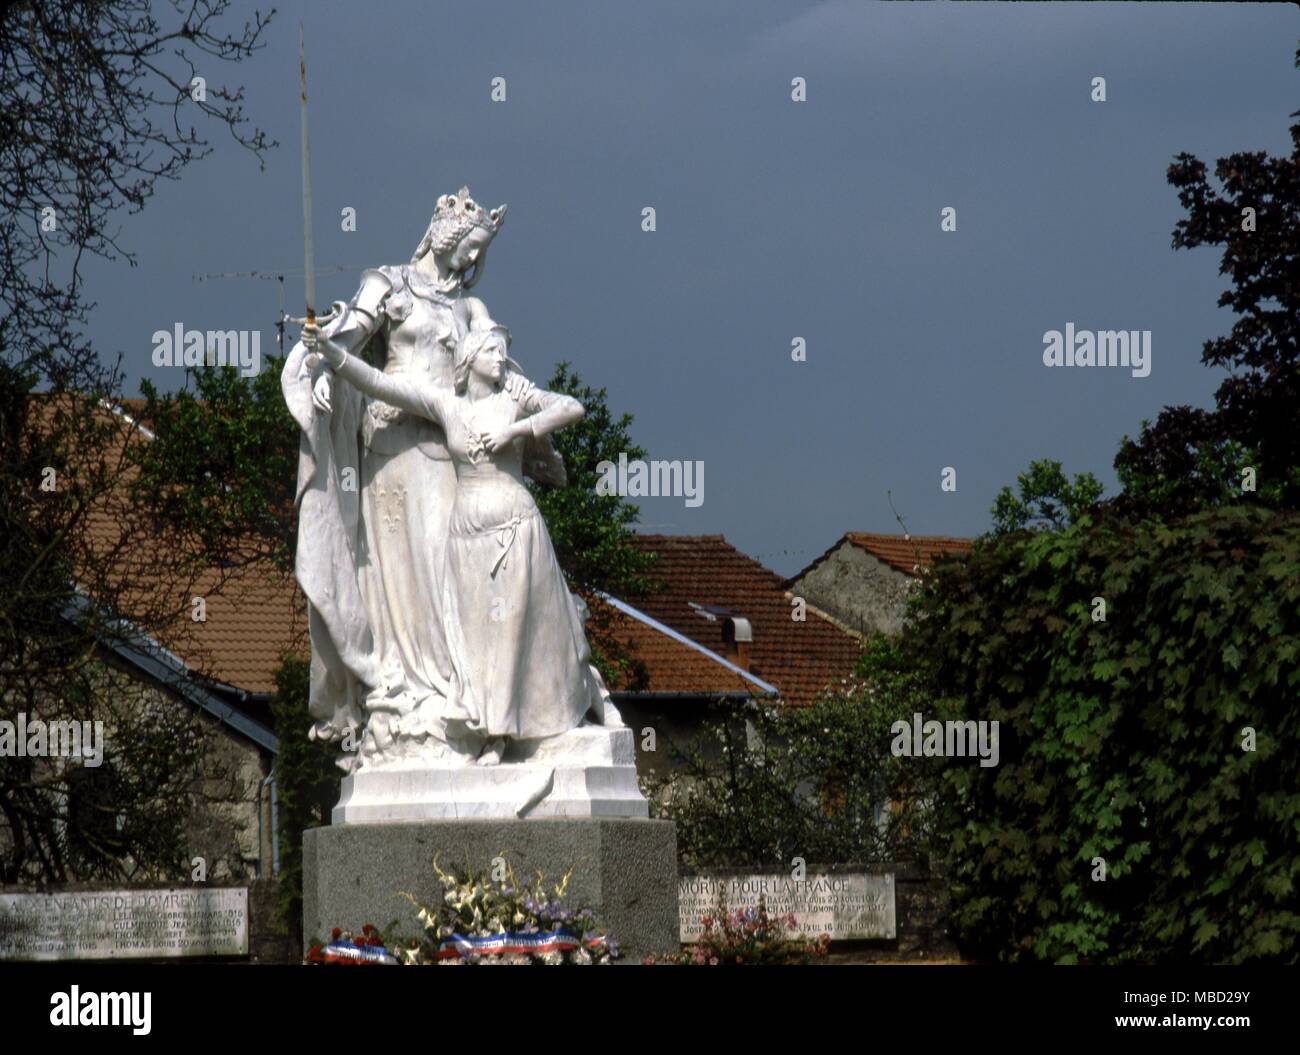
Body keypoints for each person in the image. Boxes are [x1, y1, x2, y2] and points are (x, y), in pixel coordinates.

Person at [301, 322, 620, 762]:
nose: (500, 359)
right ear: (469, 361)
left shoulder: (515, 400)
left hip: (513, 527)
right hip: (466, 535)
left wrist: (517, 432)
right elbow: (381, 384)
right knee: (473, 639)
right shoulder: (447, 407)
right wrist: (333, 356)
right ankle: (487, 729)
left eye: (501, 352)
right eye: (493, 351)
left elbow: (570, 407)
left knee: (510, 630)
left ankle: (505, 735)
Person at [281, 188, 506, 768]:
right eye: (469, 249)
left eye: (480, 255)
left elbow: (494, 370)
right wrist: (321, 364)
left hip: (447, 445)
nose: (471, 264)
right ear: (445, 235)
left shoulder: (465, 308)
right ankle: (410, 692)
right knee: (407, 569)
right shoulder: (389, 284)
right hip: (394, 448)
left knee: (452, 568)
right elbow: (346, 341)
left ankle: (457, 693)